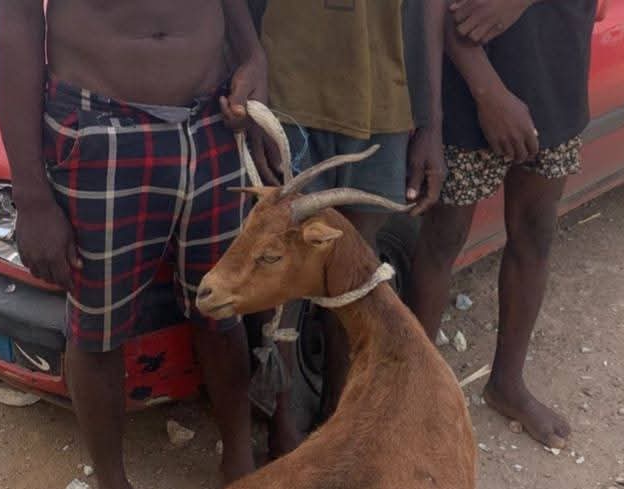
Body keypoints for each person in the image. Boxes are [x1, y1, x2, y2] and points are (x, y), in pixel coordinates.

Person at [0, 0, 267, 489]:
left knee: (222, 308)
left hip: (214, 124)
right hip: (100, 130)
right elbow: (16, 21)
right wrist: (32, 196)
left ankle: (238, 460)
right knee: (98, 327)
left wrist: (253, 58)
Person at [409, 0, 597, 449]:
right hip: (468, 83)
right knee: (441, 240)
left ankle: (507, 384)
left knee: (535, 233)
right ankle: (413, 401)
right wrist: (487, 90)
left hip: (556, 70)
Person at [255, 0, 447, 415]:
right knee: (284, 265)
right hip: (289, 95)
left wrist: (430, 124)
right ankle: (281, 427)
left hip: (382, 103)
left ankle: (336, 416)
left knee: (350, 269)